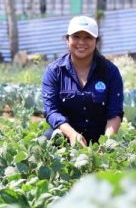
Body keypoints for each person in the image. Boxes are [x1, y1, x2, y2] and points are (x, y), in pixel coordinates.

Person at [42, 15, 124, 147]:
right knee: (47, 139)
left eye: (88, 37)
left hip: (101, 137)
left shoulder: (111, 72)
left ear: (96, 41)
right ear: (67, 40)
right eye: (76, 37)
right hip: (66, 135)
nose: (81, 42)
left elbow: (114, 113)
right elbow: (51, 111)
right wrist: (72, 134)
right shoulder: (54, 71)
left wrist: (106, 144)